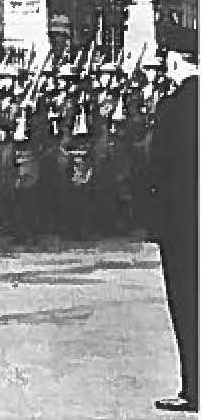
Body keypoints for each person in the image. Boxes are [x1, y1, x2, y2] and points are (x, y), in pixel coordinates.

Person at [146, 51, 197, 413]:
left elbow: (156, 168)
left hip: (182, 223)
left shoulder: (175, 107)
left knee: (188, 302)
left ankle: (194, 387)